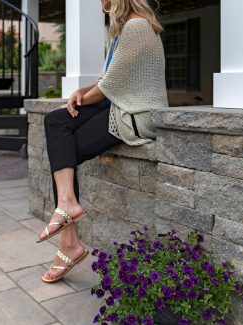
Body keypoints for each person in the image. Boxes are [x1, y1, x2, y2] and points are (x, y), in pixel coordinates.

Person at [37, 0, 169, 283]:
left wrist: (82, 97)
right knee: (55, 121)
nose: (99, 1)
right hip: (119, 103)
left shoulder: (138, 27)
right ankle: (68, 207)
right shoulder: (124, 29)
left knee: (65, 151)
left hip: (135, 112)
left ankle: (69, 243)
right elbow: (106, 80)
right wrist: (80, 92)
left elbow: (110, 86)